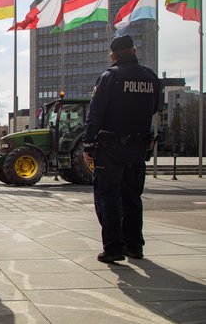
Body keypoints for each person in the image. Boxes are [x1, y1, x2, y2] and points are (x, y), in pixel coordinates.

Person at [82, 34, 160, 264]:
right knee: (132, 196)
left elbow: (95, 114)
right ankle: (134, 245)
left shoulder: (110, 77)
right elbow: (155, 107)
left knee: (108, 196)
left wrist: (88, 144)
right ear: (134, 52)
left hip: (111, 146)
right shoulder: (151, 77)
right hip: (138, 145)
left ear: (113, 55)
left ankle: (114, 247)